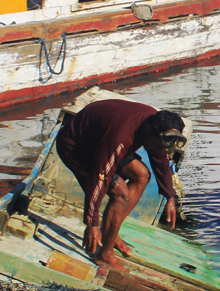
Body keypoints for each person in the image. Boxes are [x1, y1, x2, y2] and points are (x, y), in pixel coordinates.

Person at [56, 99, 186, 267]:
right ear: (148, 130)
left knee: (142, 175)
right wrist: (92, 223)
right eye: (156, 145)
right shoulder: (121, 138)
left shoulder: (154, 124)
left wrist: (169, 196)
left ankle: (110, 231)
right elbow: (99, 179)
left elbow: (160, 158)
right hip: (76, 146)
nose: (158, 150)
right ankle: (104, 254)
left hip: (101, 140)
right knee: (120, 193)